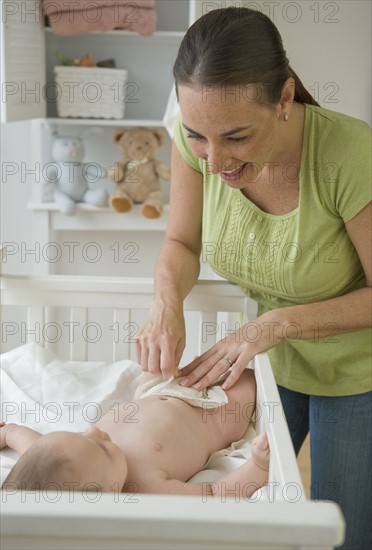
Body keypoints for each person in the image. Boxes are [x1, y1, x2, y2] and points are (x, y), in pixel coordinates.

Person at [135, 7, 371, 550]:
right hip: (268, 362)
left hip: (358, 370)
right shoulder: (195, 142)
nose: (214, 161)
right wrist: (165, 302)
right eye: (198, 137)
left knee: (344, 533)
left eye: (237, 137)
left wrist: (278, 323)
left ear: (285, 99)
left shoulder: (348, 154)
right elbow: (181, 243)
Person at [1, 369, 270, 498]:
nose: (96, 431)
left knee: (163, 358)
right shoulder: (145, 489)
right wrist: (257, 467)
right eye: (102, 448)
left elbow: (35, 449)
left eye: (83, 434)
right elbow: (213, 493)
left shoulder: (63, 458)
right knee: (250, 376)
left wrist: (9, 432)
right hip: (212, 412)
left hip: (153, 390)